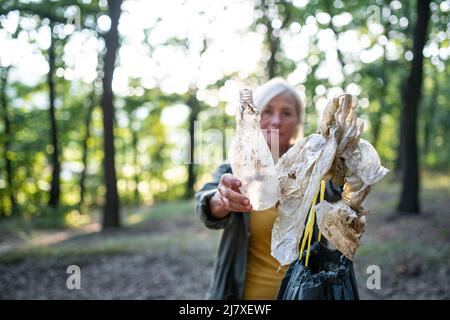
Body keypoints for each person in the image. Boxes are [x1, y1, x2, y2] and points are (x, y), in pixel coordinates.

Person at [195, 77, 342, 300]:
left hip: (304, 294)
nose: (276, 121)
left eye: (286, 113)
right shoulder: (235, 168)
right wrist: (222, 199)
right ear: (254, 116)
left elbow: (338, 188)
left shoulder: (313, 167)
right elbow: (206, 204)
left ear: (297, 121)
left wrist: (341, 154)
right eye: (268, 111)